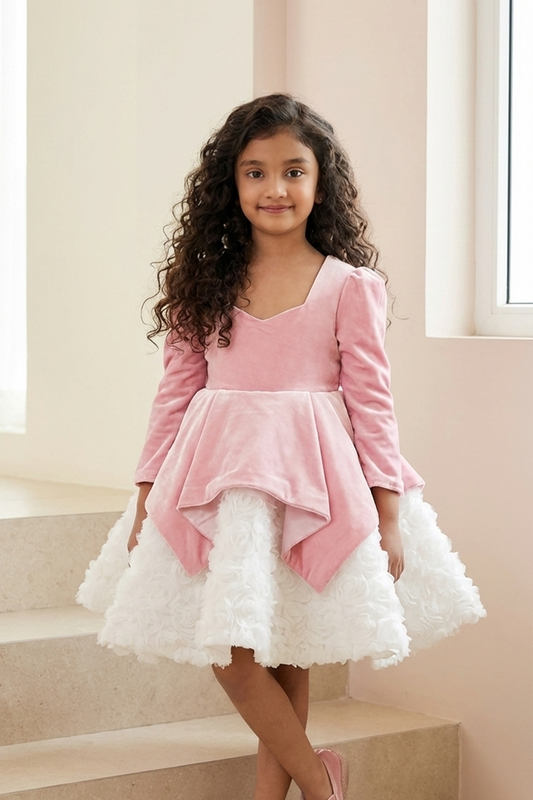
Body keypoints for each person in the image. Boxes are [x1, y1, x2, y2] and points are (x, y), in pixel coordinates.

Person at [78, 94, 485, 800]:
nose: (275, 188)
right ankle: (322, 784)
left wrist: (387, 513)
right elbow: (173, 397)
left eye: (294, 171)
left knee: (288, 645)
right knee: (236, 655)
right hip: (218, 479)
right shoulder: (204, 284)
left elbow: (372, 403)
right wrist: (146, 495)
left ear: (320, 184)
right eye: (256, 172)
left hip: (315, 479)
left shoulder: (349, 287)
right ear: (231, 184)